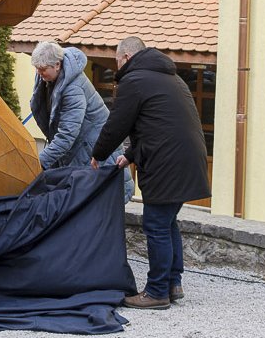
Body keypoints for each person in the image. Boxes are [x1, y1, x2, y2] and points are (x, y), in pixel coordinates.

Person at [90, 36, 210, 310]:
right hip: (187, 159)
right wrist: (128, 156)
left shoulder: (135, 80)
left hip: (166, 163)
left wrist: (98, 154)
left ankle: (156, 292)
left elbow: (117, 123)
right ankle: (172, 282)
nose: (117, 67)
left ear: (127, 58)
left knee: (156, 225)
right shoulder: (171, 78)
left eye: (118, 62)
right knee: (167, 222)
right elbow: (156, 124)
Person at [28, 41, 133, 202]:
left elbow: (67, 135)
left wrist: (38, 163)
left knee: (97, 205)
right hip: (79, 152)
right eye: (37, 69)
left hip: (95, 156)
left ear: (57, 65)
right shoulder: (48, 78)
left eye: (42, 70)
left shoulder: (73, 89)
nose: (39, 73)